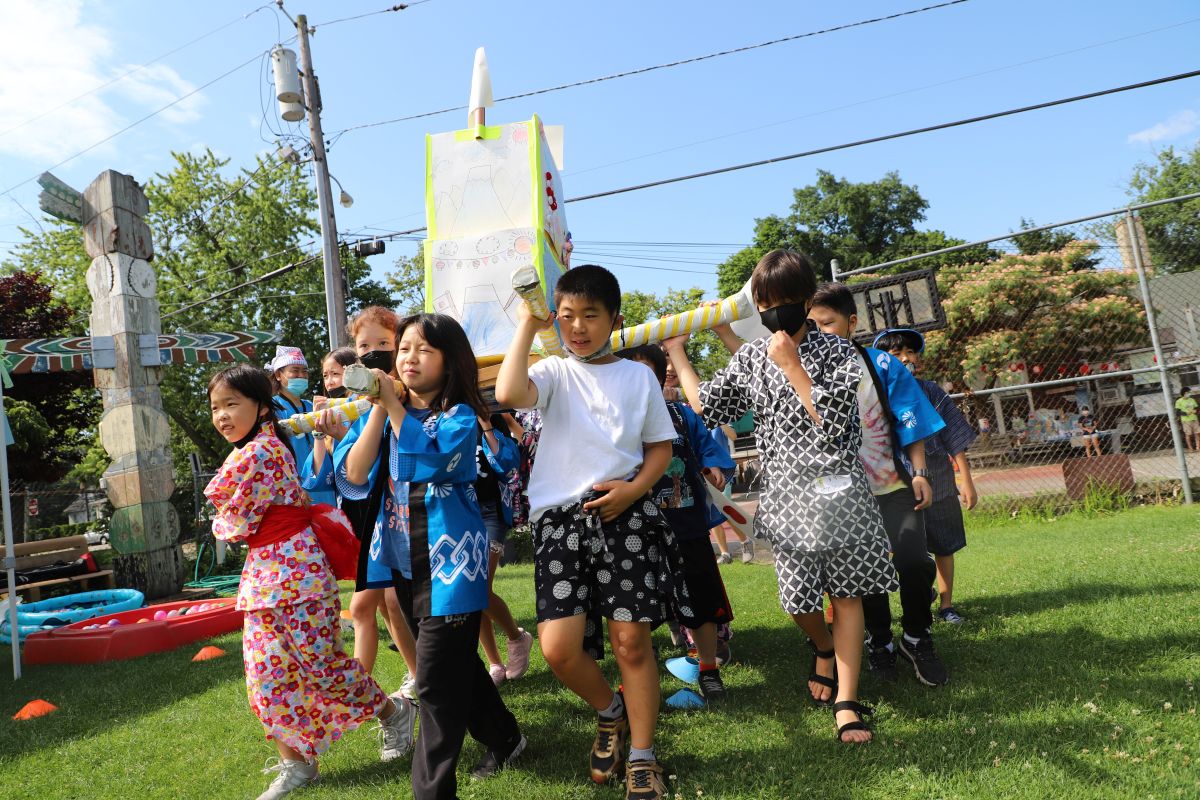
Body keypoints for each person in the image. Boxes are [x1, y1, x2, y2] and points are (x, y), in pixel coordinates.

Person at [664, 249, 898, 745]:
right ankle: (823, 646)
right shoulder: (751, 356)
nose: (776, 313)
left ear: (806, 300)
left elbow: (836, 432)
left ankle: (848, 702)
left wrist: (793, 367)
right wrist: (678, 353)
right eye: (766, 303)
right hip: (787, 495)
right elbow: (707, 405)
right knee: (796, 599)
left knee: (848, 596)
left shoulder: (839, 352)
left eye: (786, 301)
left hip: (841, 492)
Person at [495, 264, 691, 799]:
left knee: (632, 643)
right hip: (559, 524)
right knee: (558, 649)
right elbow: (510, 392)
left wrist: (634, 490)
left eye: (590, 315)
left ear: (615, 319)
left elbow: (660, 448)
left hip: (624, 514)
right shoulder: (555, 371)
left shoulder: (638, 376)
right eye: (566, 317)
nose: (577, 327)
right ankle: (611, 711)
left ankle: (645, 757)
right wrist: (527, 328)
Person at [204, 364, 414, 800]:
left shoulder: (260, 452)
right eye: (215, 408)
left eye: (231, 404)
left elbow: (230, 522)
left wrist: (223, 523)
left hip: (295, 572)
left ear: (261, 407)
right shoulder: (251, 450)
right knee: (265, 674)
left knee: (325, 666)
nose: (222, 415)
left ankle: (394, 714)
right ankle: (296, 764)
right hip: (265, 575)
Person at [340, 312, 524, 799]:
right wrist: (382, 408)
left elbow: (439, 461)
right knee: (455, 668)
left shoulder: (461, 416)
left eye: (424, 349)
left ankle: (432, 792)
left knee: (435, 688)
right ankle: (507, 737)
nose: (409, 358)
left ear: (449, 360)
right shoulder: (380, 412)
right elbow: (354, 475)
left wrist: (394, 409)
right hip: (403, 563)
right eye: (404, 349)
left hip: (452, 569)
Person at [807, 283, 949, 687]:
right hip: (842, 496)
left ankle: (916, 636)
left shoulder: (882, 366)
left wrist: (919, 472)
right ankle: (880, 640)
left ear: (851, 323)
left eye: (827, 323)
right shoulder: (802, 373)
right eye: (811, 325)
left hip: (891, 488)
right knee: (862, 574)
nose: (819, 332)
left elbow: (911, 418)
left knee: (913, 562)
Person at [620, 344, 735, 703]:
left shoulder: (682, 415)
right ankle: (637, 681)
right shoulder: (615, 421)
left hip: (687, 525)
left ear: (658, 377)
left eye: (648, 375)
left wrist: (712, 466)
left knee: (701, 600)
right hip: (636, 530)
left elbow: (706, 449)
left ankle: (708, 667)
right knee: (635, 610)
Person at [332, 308, 418, 698]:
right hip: (383, 521)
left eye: (384, 343)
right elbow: (355, 471)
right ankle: (419, 676)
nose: (374, 352)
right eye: (364, 345)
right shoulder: (358, 406)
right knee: (387, 604)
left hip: (427, 520)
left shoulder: (422, 389)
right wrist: (378, 404)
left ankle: (429, 678)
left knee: (415, 609)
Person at [873, 329, 979, 627]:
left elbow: (954, 438)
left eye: (910, 352)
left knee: (944, 545)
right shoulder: (874, 397)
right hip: (895, 489)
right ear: (881, 361)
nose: (906, 358)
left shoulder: (932, 392)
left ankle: (946, 605)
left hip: (941, 485)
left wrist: (966, 480)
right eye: (896, 354)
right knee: (897, 548)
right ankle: (924, 589)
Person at [475, 411, 535, 686]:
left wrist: (486, 424)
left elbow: (507, 463)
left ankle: (516, 637)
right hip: (459, 511)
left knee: (479, 587)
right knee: (470, 591)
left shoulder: (495, 421)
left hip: (490, 513)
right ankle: (495, 664)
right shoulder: (445, 420)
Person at [267, 346, 327, 506]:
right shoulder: (271, 409)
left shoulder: (313, 406)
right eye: (295, 370)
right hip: (295, 490)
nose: (301, 375)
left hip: (324, 485)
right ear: (279, 375)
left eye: (304, 371)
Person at [1176, 387, 1199, 452]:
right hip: (1186, 420)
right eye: (1188, 392)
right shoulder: (1179, 401)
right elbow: (1178, 412)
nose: (1189, 394)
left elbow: (1197, 408)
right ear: (1184, 393)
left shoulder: (1192, 399)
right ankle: (1190, 448)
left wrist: (1196, 411)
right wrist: (1186, 413)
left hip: (1194, 419)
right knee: (1188, 434)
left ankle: (1198, 447)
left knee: (1197, 433)